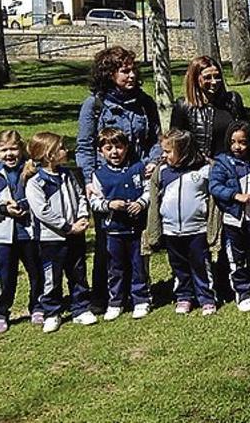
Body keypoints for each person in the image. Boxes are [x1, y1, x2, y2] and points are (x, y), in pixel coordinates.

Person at [76, 46, 161, 311]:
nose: (132, 75)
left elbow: (155, 139)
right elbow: (84, 145)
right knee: (107, 242)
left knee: (137, 240)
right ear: (110, 73)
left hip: (136, 178)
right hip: (107, 180)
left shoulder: (145, 103)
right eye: (125, 71)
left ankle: (139, 293)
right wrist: (90, 179)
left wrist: (151, 162)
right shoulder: (95, 105)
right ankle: (104, 296)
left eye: (133, 70)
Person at [24, 132, 95, 333]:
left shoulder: (67, 175)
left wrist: (82, 217)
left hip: (75, 235)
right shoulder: (36, 182)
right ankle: (52, 312)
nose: (66, 150)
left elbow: (80, 195)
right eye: (62, 147)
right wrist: (67, 227)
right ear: (49, 155)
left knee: (78, 272)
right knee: (51, 277)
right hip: (51, 239)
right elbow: (42, 211)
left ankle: (80, 308)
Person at [147, 130, 217, 316]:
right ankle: (184, 296)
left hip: (197, 229)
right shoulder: (162, 172)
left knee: (200, 265)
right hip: (171, 230)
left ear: (184, 151)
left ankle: (206, 297)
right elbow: (154, 201)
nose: (164, 155)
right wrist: (155, 230)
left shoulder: (204, 170)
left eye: (168, 151)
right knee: (179, 266)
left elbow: (212, 200)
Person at [0, 130, 42, 333]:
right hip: (3, 235)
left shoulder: (32, 170)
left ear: (21, 150)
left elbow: (41, 196)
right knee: (4, 275)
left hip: (29, 232)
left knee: (37, 272)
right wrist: (3, 208)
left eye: (13, 149)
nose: (9, 154)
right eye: (4, 150)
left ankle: (38, 306)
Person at [210, 121, 250, 312]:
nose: (237, 147)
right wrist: (235, 196)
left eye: (243, 142)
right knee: (237, 257)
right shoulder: (222, 162)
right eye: (233, 142)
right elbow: (215, 186)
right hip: (234, 219)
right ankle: (243, 292)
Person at [88, 128, 151, 321]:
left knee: (138, 265)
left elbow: (149, 190)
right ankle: (115, 301)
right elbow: (94, 202)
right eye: (109, 148)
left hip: (136, 229)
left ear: (127, 148)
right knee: (115, 268)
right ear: (101, 152)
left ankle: (140, 299)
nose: (115, 152)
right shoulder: (99, 175)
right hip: (113, 230)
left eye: (119, 147)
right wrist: (109, 205)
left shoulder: (138, 168)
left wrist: (141, 203)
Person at [170, 55, 246, 158]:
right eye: (207, 78)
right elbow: (175, 142)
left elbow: (245, 132)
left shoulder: (232, 100)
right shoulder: (184, 106)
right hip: (200, 165)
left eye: (217, 77)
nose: (214, 82)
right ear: (195, 79)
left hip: (230, 162)